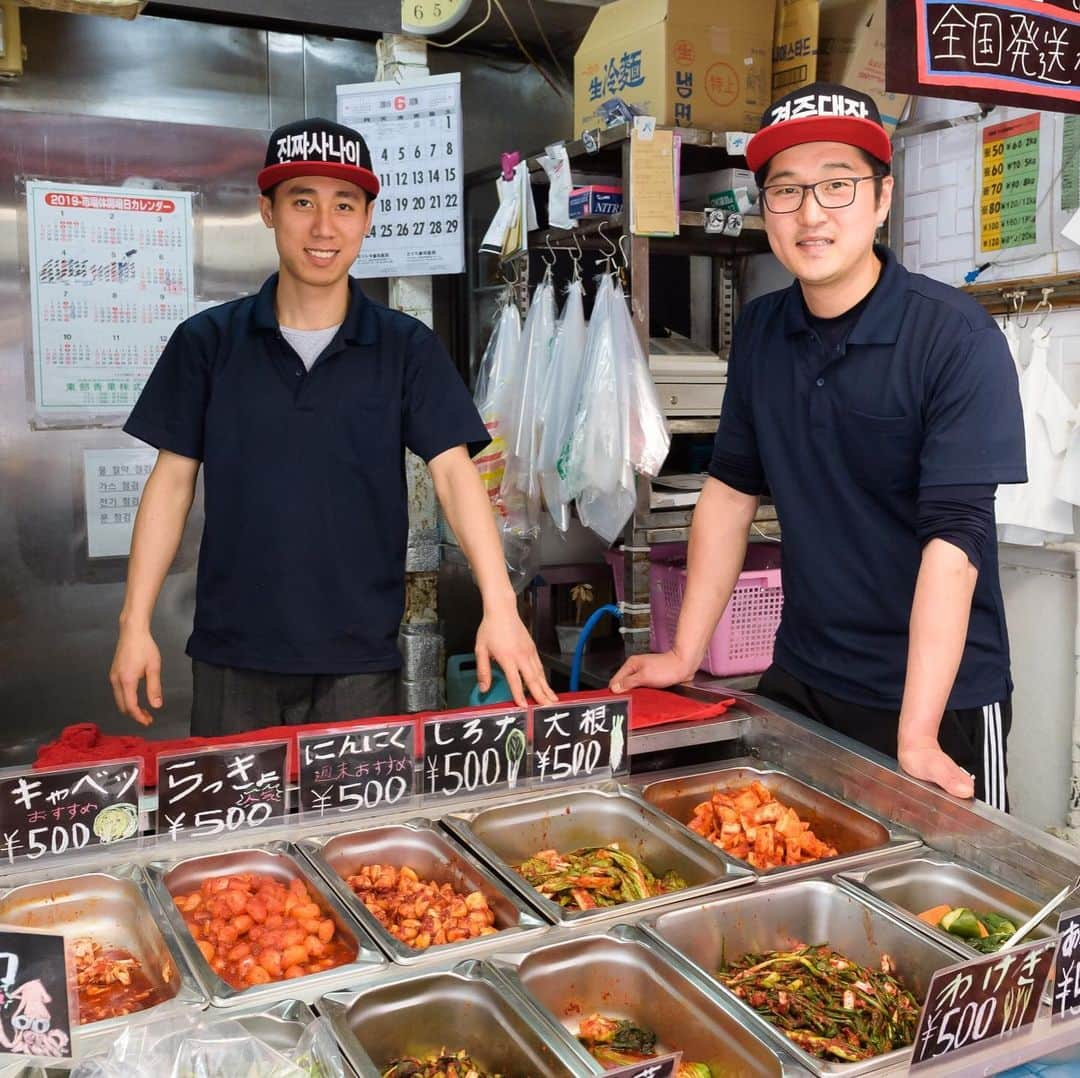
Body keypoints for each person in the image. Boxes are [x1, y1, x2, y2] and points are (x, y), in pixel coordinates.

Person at [611, 83, 1025, 809]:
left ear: (882, 198)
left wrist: (919, 731)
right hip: (804, 675)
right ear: (764, 205)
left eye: (837, 186)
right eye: (787, 190)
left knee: (948, 915)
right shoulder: (765, 333)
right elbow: (730, 494)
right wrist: (683, 654)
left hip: (937, 695)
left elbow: (955, 546)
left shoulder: (954, 338)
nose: (811, 214)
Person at [110, 117, 556, 734]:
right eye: (302, 201)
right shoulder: (207, 343)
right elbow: (171, 483)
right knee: (239, 833)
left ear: (368, 218)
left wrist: (499, 607)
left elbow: (454, 475)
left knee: (352, 835)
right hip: (231, 658)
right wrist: (134, 624)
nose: (324, 227)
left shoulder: (406, 348)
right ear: (268, 210)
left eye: (345, 204)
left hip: (360, 663)